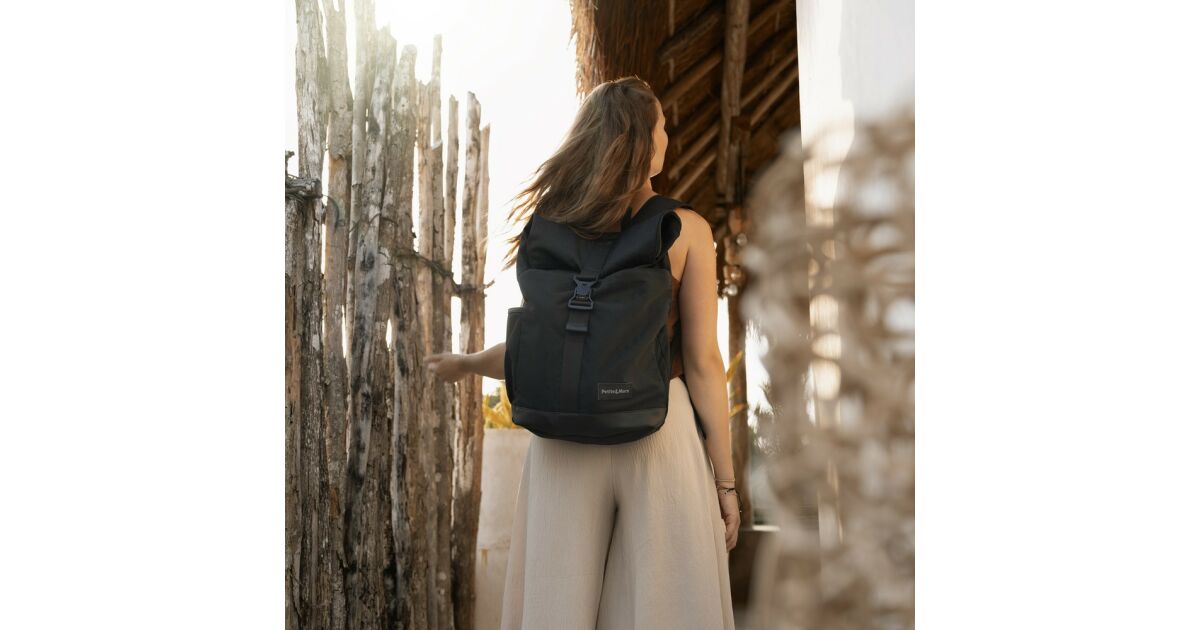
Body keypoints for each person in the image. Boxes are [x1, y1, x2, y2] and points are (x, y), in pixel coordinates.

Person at [424, 76, 738, 629]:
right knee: (665, 609)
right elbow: (704, 363)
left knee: (555, 610)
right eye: (662, 126)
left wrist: (467, 364)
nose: (667, 137)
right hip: (657, 431)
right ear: (642, 139)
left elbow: (541, 349)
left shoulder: (552, 229)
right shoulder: (685, 229)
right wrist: (726, 482)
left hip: (562, 436)